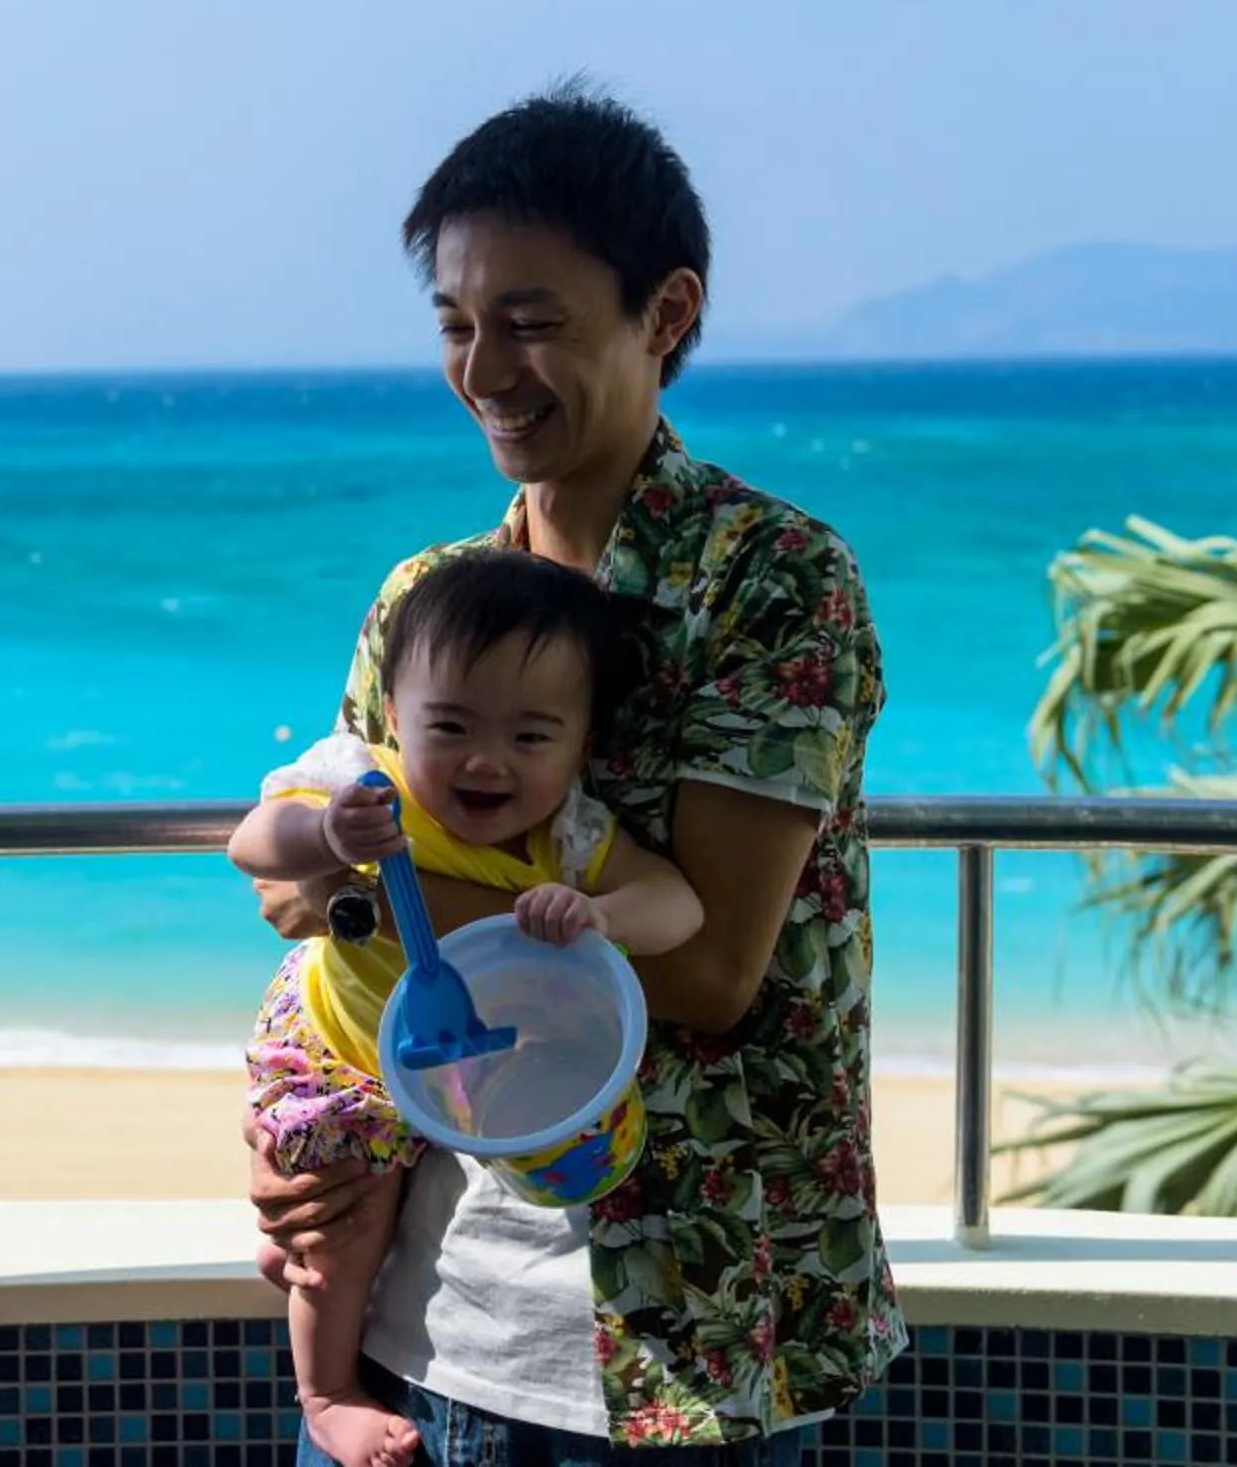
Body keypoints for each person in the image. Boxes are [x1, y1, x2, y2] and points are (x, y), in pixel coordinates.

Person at [255, 86, 899, 1463]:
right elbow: (295, 898)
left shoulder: (770, 582)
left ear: (666, 312)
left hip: (691, 1335)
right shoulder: (427, 598)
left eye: (531, 322)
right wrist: (305, 1133)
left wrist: (370, 898)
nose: (485, 368)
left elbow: (712, 970)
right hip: (422, 1316)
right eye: (455, 323)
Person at [232, 550, 705, 1467]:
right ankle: (326, 1393)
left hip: (459, 1065)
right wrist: (323, 832)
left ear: (582, 744)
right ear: (394, 713)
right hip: (341, 1049)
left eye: (532, 737)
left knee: (376, 1212)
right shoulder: (362, 783)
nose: (486, 761)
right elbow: (252, 845)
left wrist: (603, 916)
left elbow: (679, 906)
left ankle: (305, 1269)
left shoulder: (572, 837)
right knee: (343, 1225)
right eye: (449, 726)